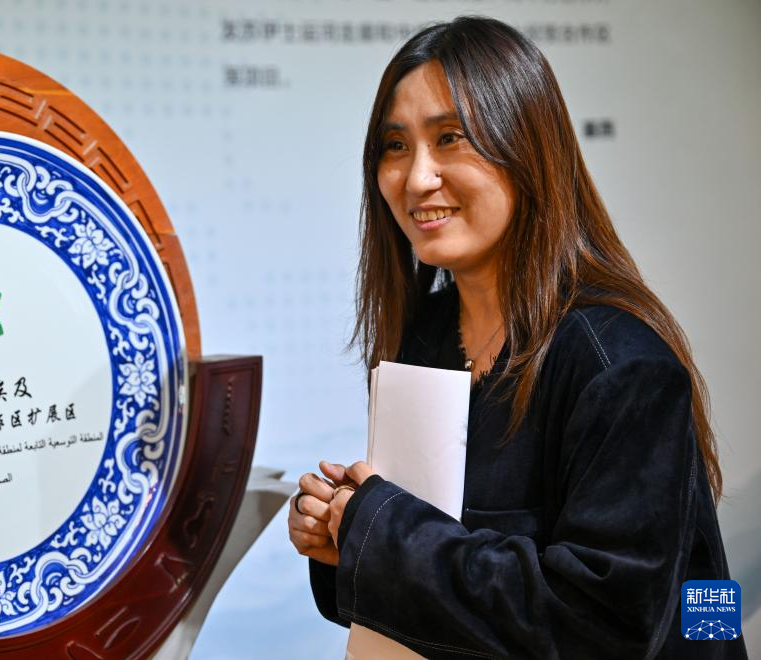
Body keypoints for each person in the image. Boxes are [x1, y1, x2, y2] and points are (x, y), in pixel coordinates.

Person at [287, 16, 747, 659]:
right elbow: (452, 587)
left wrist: (380, 529)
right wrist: (344, 538)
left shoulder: (620, 364)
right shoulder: (425, 335)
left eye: (450, 138)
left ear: (526, 147)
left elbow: (602, 627)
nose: (416, 178)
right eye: (395, 146)